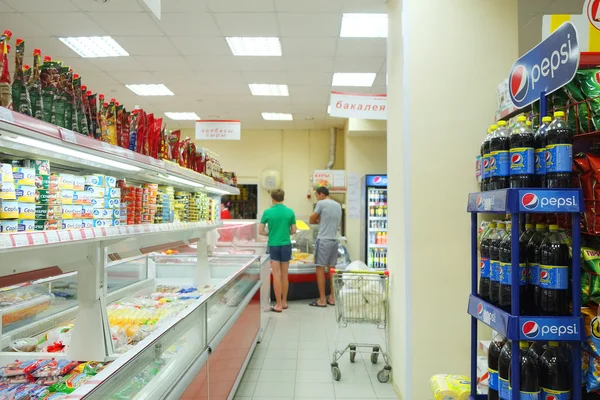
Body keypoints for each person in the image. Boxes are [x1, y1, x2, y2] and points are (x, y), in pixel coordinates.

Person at [259, 189, 297, 313]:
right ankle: (285, 302)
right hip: (286, 244)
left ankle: (278, 304)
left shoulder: (268, 212)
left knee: (276, 275)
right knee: (285, 274)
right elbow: (293, 231)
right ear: (283, 198)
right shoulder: (290, 212)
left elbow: (260, 230)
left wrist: (270, 233)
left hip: (273, 245)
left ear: (272, 198)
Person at [309, 186, 342, 307]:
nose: (317, 198)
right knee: (332, 269)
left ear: (322, 194)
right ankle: (332, 298)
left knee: (320, 269)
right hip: (334, 240)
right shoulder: (337, 205)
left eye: (317, 195)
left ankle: (322, 300)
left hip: (323, 240)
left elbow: (311, 219)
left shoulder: (321, 203)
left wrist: (317, 219)